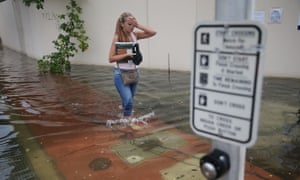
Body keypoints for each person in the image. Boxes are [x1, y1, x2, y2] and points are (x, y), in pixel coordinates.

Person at [109, 12, 156, 118]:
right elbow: (111, 58)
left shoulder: (135, 35)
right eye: (129, 24)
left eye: (133, 24)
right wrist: (126, 55)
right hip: (121, 74)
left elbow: (153, 32)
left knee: (128, 101)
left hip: (134, 73)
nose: (132, 27)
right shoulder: (117, 38)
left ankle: (123, 116)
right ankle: (127, 123)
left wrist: (137, 25)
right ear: (122, 24)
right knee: (129, 102)